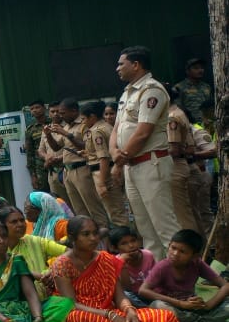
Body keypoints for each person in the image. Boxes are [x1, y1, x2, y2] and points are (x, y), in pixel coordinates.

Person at [50, 216, 184, 322]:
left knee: (165, 316)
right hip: (86, 315)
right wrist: (109, 315)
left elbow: (119, 295)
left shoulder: (106, 258)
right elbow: (72, 304)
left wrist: (129, 310)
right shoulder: (62, 264)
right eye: (86, 234)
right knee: (78, 320)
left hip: (113, 313)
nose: (93, 238)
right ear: (72, 237)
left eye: (95, 233)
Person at [111, 46, 180, 260]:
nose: (117, 68)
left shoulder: (152, 90)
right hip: (132, 166)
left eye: (121, 64)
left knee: (164, 225)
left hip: (151, 163)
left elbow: (143, 133)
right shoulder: (127, 93)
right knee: (146, 230)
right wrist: (115, 154)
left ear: (136, 65)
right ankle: (158, 273)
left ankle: (184, 274)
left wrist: (119, 159)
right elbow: (116, 129)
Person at [140, 230, 229, 322]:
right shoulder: (162, 267)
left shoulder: (197, 264)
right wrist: (180, 303)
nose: (175, 254)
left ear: (194, 256)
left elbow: (225, 285)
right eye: (173, 248)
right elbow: (143, 290)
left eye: (182, 252)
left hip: (193, 310)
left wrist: (208, 305)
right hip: (174, 309)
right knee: (157, 305)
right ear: (169, 245)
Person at [47, 98, 109, 226]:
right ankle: (86, 233)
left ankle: (104, 232)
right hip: (68, 171)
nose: (60, 116)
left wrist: (66, 134)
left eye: (63, 113)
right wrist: (48, 134)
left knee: (93, 206)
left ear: (74, 111)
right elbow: (56, 147)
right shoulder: (66, 126)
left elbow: (86, 146)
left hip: (82, 169)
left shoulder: (84, 124)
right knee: (79, 210)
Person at [0, 207, 64, 299]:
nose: (20, 224)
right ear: (2, 226)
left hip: (46, 298)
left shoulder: (34, 241)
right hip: (13, 302)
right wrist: (39, 276)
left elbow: (68, 253)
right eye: (14, 222)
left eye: (22, 220)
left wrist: (52, 271)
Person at [81, 101, 129, 227]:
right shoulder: (108, 127)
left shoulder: (97, 131)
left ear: (92, 117)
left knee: (115, 212)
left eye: (84, 119)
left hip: (103, 173)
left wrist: (102, 183)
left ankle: (124, 236)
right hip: (111, 169)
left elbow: (104, 158)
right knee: (119, 209)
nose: (83, 122)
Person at [166, 92, 200, 232]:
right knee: (191, 212)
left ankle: (190, 245)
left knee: (182, 215)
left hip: (176, 165)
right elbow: (190, 147)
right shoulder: (180, 113)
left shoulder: (171, 117)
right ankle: (200, 244)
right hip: (185, 163)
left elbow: (174, 150)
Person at [110, 227, 155, 308]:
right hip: (133, 296)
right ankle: (147, 309)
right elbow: (126, 288)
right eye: (124, 243)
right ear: (115, 248)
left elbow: (155, 281)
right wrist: (123, 265)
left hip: (149, 292)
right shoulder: (116, 261)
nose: (131, 245)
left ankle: (151, 307)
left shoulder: (148, 255)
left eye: (133, 241)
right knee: (126, 295)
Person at [174, 58, 211, 126]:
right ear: (187, 71)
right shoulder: (179, 87)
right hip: (190, 126)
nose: (200, 70)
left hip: (208, 124)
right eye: (196, 68)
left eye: (202, 68)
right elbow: (177, 109)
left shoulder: (206, 87)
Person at [25, 100, 52, 193]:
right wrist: (33, 175)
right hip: (40, 167)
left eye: (37, 107)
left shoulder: (53, 123)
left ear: (44, 108)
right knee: (44, 194)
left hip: (56, 161)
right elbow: (29, 153)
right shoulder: (30, 129)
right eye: (32, 109)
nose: (34, 110)